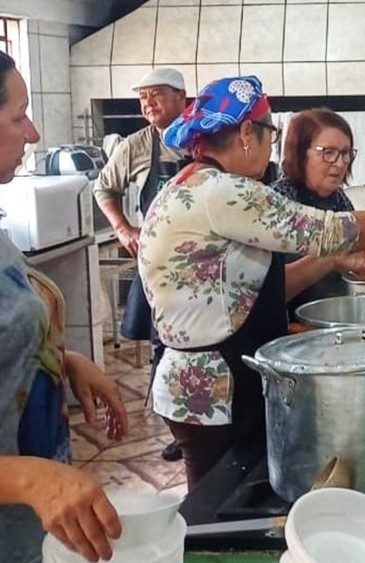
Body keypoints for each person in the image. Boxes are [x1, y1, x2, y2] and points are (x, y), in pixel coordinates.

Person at [138, 76, 365, 486]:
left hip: (208, 384)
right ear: (247, 133)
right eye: (269, 134)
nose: (270, 148)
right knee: (218, 504)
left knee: (228, 495)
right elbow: (329, 231)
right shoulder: (225, 191)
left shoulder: (189, 185)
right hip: (216, 388)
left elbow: (262, 290)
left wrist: (331, 262)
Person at [0, 51, 130, 563]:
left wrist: (63, 361)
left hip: (25, 528)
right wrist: (29, 479)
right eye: (18, 118)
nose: (33, 134)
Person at [93, 67, 187, 462]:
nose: (147, 103)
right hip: (160, 265)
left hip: (205, 265)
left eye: (156, 94)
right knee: (163, 349)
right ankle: (179, 432)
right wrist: (123, 228)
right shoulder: (136, 145)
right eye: (142, 97)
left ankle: (209, 429)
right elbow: (103, 188)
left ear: (181, 98)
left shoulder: (203, 136)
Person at [272, 109, 365, 317]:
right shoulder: (278, 201)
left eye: (345, 153)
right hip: (291, 324)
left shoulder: (338, 199)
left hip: (335, 316)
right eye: (328, 153)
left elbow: (352, 260)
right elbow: (269, 289)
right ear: (300, 153)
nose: (340, 163)